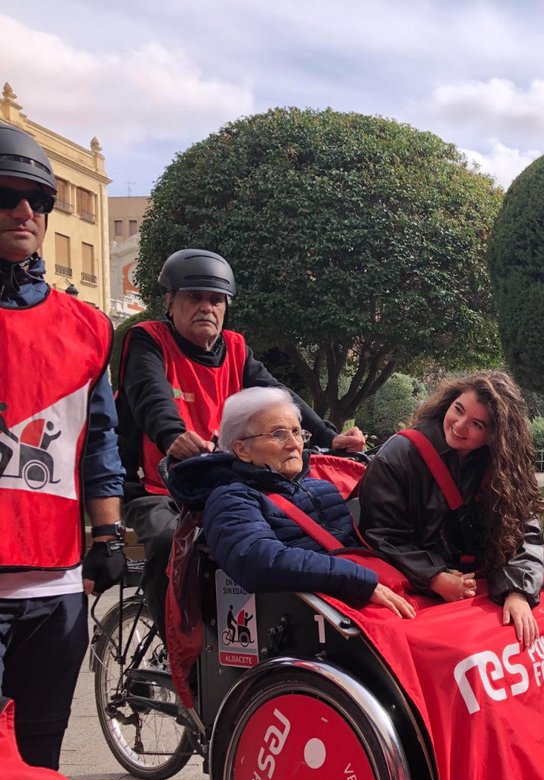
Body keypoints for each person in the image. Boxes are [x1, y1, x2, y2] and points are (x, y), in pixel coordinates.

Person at [117, 248, 365, 630]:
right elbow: (150, 396)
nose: (206, 307)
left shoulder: (234, 348)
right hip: (156, 486)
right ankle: (178, 637)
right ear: (169, 301)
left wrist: (329, 438)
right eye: (194, 297)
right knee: (170, 543)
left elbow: (279, 396)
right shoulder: (147, 340)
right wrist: (172, 436)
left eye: (216, 300)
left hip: (223, 482)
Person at [0, 123, 126, 768]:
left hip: (54, 584)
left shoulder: (89, 328)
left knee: (39, 763)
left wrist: (108, 537)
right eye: (6, 196)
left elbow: (99, 439)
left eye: (39, 200)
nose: (25, 211)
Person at [166, 387, 413, 617]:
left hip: (364, 589)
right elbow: (258, 560)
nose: (294, 444)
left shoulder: (323, 486)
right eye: (278, 434)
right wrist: (357, 580)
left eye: (297, 432)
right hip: (323, 610)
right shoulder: (231, 498)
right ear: (242, 450)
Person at [358, 371, 544, 649]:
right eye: (458, 410)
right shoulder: (398, 455)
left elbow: (525, 529)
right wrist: (434, 577)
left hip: (477, 583)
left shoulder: (502, 466)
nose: (459, 425)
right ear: (449, 402)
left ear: (494, 436)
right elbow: (381, 535)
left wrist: (518, 591)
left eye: (477, 424)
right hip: (413, 585)